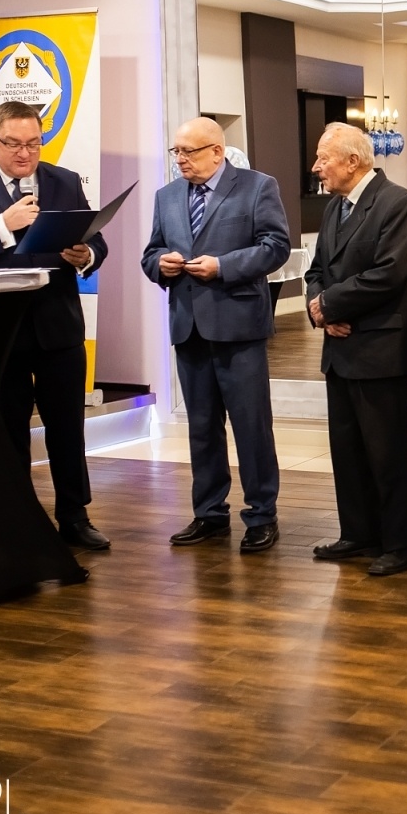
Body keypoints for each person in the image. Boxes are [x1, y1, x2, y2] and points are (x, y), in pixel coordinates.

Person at [0, 100, 112, 550]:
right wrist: (0, 226)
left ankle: (74, 516)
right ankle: (16, 517)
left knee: (67, 428)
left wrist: (87, 255)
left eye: (34, 143)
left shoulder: (65, 181)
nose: (25, 153)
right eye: (14, 144)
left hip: (58, 327)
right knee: (7, 427)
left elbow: (97, 238)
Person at [142, 116, 290, 554]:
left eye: (188, 152)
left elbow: (275, 246)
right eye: (176, 152)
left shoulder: (257, 186)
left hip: (238, 325)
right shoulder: (166, 196)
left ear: (217, 151)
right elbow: (151, 252)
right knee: (202, 427)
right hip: (188, 326)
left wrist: (223, 267)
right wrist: (161, 265)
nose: (180, 160)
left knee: (251, 426)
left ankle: (262, 514)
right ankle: (209, 513)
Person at [305, 123, 407, 577]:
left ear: (352, 162)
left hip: (379, 349)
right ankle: (357, 533)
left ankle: (400, 544)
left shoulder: (397, 203)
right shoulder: (335, 206)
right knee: (347, 449)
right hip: (339, 348)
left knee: (388, 454)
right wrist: (321, 309)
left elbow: (389, 273)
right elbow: (316, 268)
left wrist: (329, 303)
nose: (316, 167)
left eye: (323, 157)